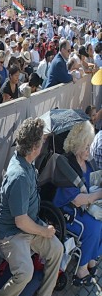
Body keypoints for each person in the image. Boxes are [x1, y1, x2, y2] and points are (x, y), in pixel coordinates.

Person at [0, 118, 63, 296]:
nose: (44, 144)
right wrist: (44, 231)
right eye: (42, 141)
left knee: (57, 249)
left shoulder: (27, 160)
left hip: (28, 227)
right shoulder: (20, 176)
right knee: (25, 273)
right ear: (35, 147)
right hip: (12, 233)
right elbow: (20, 222)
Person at [51, 122, 102, 286]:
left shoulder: (86, 162)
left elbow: (89, 185)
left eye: (90, 146)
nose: (89, 151)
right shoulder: (67, 166)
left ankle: (91, 258)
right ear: (78, 147)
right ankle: (81, 270)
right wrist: (99, 194)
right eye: (86, 147)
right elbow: (77, 199)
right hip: (67, 210)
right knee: (94, 227)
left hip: (82, 208)